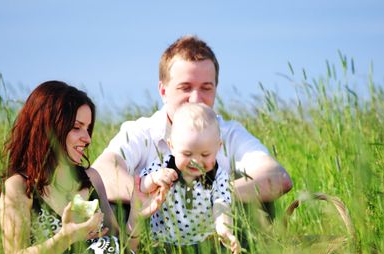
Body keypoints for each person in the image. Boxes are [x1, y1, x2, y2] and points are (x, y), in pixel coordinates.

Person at [92, 35, 292, 224]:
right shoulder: (141, 132)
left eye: (206, 88)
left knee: (260, 202)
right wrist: (148, 193)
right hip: (150, 231)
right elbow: (101, 173)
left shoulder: (230, 133)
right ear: (163, 91)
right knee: (111, 206)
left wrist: (212, 197)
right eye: (185, 87)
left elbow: (277, 178)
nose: (196, 99)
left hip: (217, 233)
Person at [0, 80, 123, 254]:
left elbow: (118, 246)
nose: (86, 138)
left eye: (88, 128)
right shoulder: (19, 187)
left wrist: (140, 213)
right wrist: (66, 237)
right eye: (77, 127)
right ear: (49, 127)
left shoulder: (91, 179)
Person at [136, 103, 240, 254]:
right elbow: (142, 186)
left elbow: (221, 204)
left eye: (205, 155)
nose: (196, 161)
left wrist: (224, 229)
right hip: (164, 245)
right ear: (171, 146)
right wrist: (153, 178)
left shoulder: (217, 175)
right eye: (187, 153)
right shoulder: (163, 166)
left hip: (204, 245)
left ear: (218, 147)